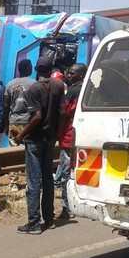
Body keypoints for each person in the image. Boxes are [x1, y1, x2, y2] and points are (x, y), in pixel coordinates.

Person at [13, 56, 64, 234]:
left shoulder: (35, 88)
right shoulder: (59, 85)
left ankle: (33, 223)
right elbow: (62, 112)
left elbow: (37, 117)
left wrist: (21, 134)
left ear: (37, 68)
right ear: (52, 68)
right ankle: (49, 218)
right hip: (50, 139)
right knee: (48, 180)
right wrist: (57, 132)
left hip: (34, 139)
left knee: (33, 182)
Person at [55, 63, 86, 219]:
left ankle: (67, 208)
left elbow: (63, 112)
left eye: (73, 73)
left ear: (81, 74)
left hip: (69, 138)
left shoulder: (73, 92)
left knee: (66, 175)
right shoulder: (90, 89)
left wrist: (57, 133)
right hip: (85, 137)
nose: (69, 75)